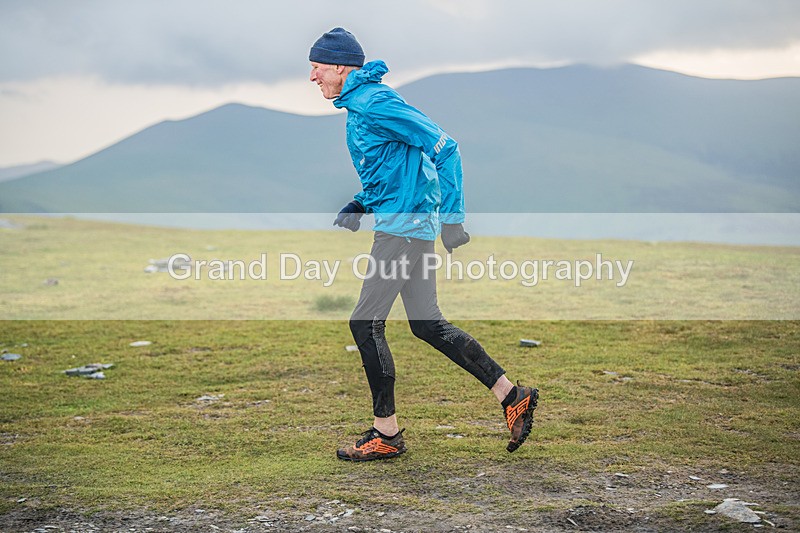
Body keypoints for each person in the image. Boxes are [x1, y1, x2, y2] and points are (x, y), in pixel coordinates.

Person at [309, 27, 538, 461]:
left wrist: (453, 221)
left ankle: (386, 435)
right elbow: (393, 168)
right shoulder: (360, 105)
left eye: (317, 68)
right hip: (403, 223)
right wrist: (361, 202)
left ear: (339, 67)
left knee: (365, 324)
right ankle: (512, 395)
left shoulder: (375, 102)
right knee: (427, 324)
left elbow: (444, 147)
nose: (313, 77)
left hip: (404, 230)